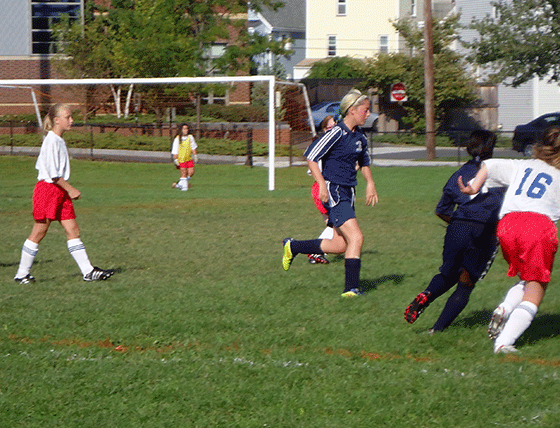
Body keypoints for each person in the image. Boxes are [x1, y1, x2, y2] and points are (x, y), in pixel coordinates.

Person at [458, 126, 560, 353]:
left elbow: (490, 165)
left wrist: (474, 186)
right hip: (537, 226)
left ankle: (505, 308)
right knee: (537, 286)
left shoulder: (523, 165)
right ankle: (504, 342)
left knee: (527, 277)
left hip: (508, 225)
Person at [404, 130, 506, 332]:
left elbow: (441, 210)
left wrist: (459, 223)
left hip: (457, 227)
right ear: (491, 148)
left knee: (448, 273)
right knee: (466, 283)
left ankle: (426, 294)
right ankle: (437, 329)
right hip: (484, 230)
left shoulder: (459, 173)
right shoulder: (501, 172)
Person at [282, 89, 379, 297]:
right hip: (334, 191)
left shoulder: (360, 137)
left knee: (340, 244)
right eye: (365, 110)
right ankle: (350, 289)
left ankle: (293, 246)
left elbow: (364, 163)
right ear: (352, 110)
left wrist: (370, 183)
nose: (368, 114)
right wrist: (322, 185)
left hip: (348, 192)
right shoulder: (335, 133)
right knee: (357, 237)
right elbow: (311, 157)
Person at [14, 103, 114, 284]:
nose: (72, 120)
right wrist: (71, 189)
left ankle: (88, 272)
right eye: (68, 117)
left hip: (59, 191)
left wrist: (66, 190)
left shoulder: (59, 140)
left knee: (73, 230)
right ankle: (22, 274)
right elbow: (53, 175)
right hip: (48, 190)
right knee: (39, 232)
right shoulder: (51, 140)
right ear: (57, 120)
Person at [307, 115, 336, 265]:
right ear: (325, 129)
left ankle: (316, 252)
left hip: (327, 187)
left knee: (333, 224)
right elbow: (312, 170)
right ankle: (314, 251)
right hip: (323, 188)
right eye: (330, 127)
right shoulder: (322, 146)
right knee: (336, 223)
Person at [171, 123, 198, 191]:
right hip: (181, 159)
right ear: (181, 130)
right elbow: (175, 151)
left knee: (191, 172)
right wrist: (176, 159)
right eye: (184, 129)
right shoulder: (177, 139)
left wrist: (195, 155)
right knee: (184, 173)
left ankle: (179, 184)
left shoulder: (190, 137)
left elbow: (193, 147)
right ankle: (184, 188)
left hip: (188, 158)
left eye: (187, 129)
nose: (186, 130)